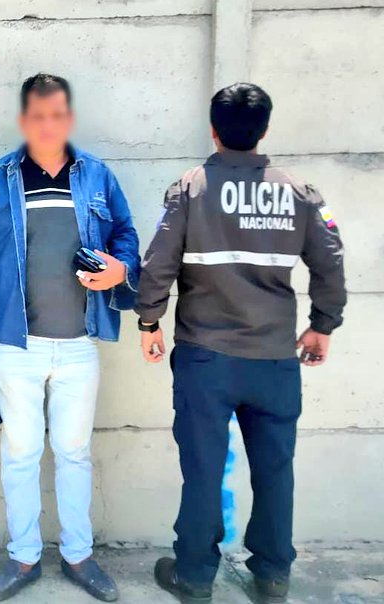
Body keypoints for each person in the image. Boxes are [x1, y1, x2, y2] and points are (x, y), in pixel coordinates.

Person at [135, 83, 346, 603]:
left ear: (213, 129)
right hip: (273, 359)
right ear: (264, 130)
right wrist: (322, 325)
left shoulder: (190, 189)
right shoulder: (299, 192)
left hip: (206, 358)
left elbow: (158, 263)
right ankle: (272, 574)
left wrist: (149, 321)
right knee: (275, 470)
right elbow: (331, 260)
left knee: (203, 470)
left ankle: (194, 575)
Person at [0, 74, 140, 602]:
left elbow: (126, 235)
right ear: (24, 120)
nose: (47, 125)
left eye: (57, 115)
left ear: (69, 118)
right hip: (17, 345)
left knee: (74, 452)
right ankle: (24, 557)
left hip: (80, 343)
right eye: (37, 116)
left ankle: (79, 556)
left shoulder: (97, 176)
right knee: (20, 452)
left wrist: (120, 269)